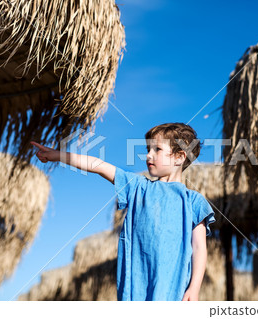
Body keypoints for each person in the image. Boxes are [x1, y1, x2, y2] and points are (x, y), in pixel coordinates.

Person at [30, 122, 215, 301]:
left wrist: (194, 287)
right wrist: (58, 155)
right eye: (148, 149)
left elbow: (199, 248)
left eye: (157, 149)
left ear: (179, 157)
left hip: (173, 289)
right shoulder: (137, 187)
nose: (148, 155)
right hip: (135, 286)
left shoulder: (194, 201)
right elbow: (99, 165)